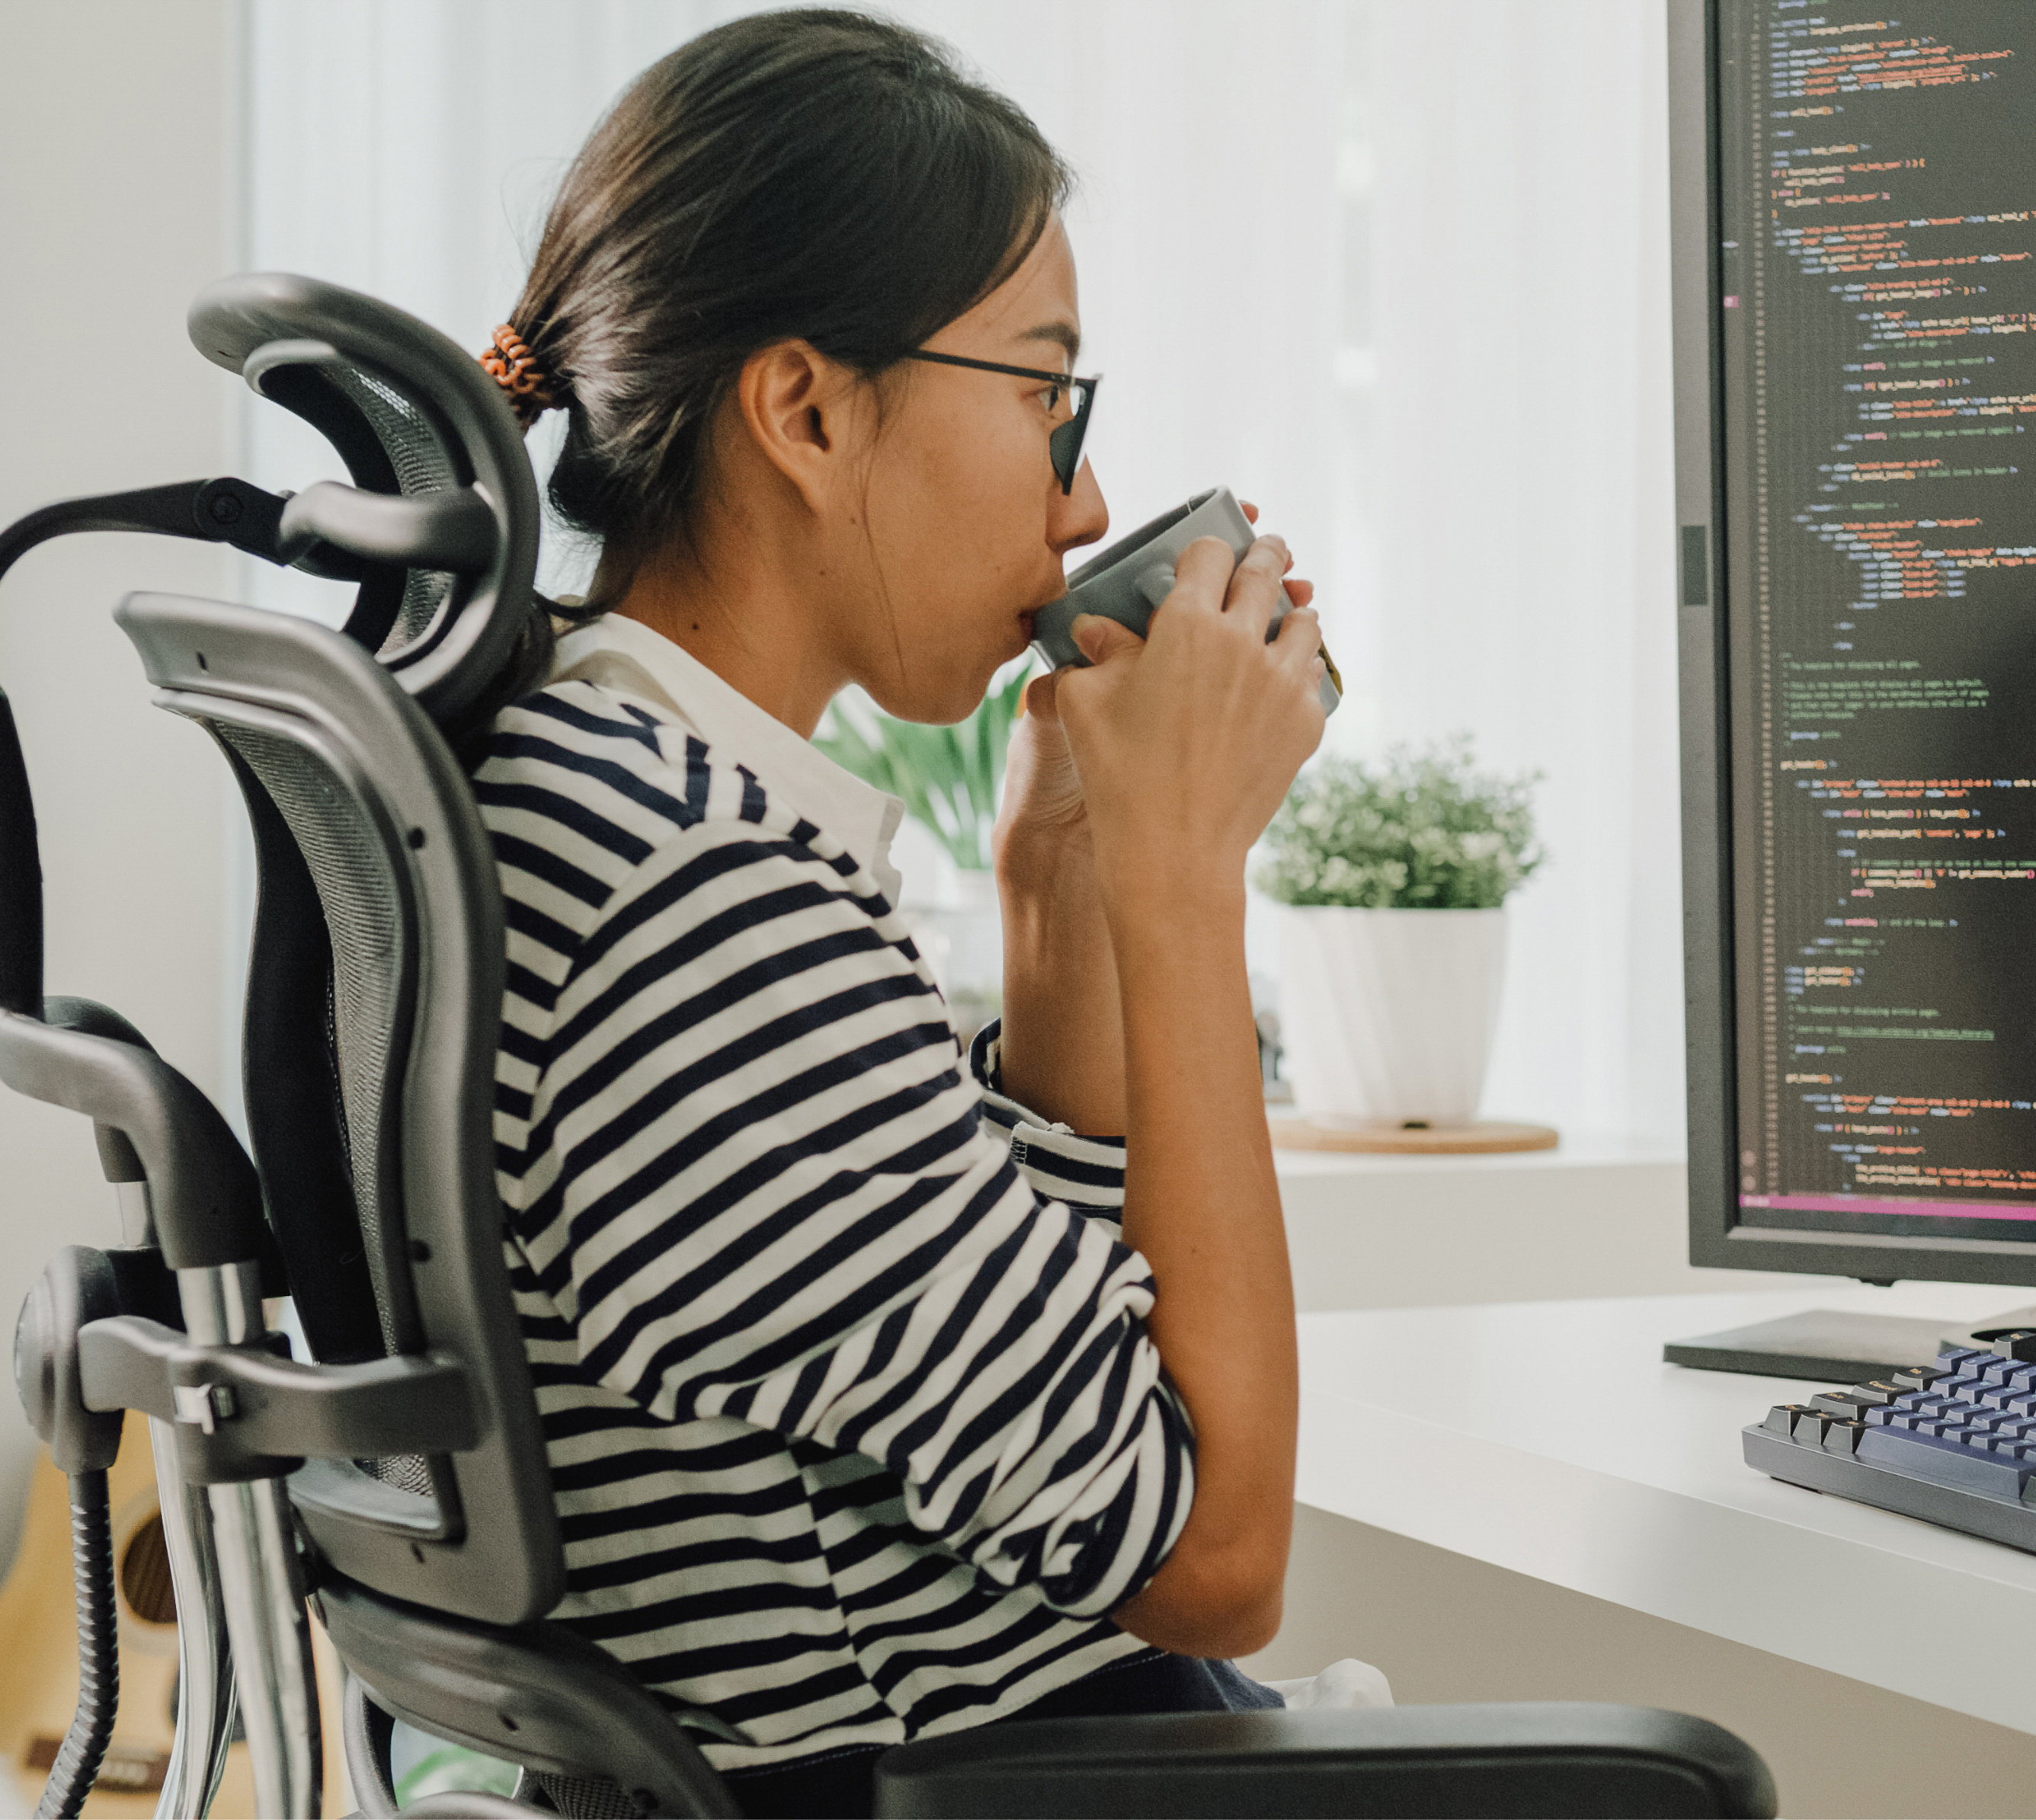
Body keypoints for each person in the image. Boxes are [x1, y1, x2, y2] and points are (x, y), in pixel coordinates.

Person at [466, 11, 1324, 1812]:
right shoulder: (696, 902)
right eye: (1042, 396)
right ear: (807, 410)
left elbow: (1039, 1370)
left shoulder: (578, 782)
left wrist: (1063, 895)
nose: (1087, 496)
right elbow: (1211, 1552)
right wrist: (1186, 884)